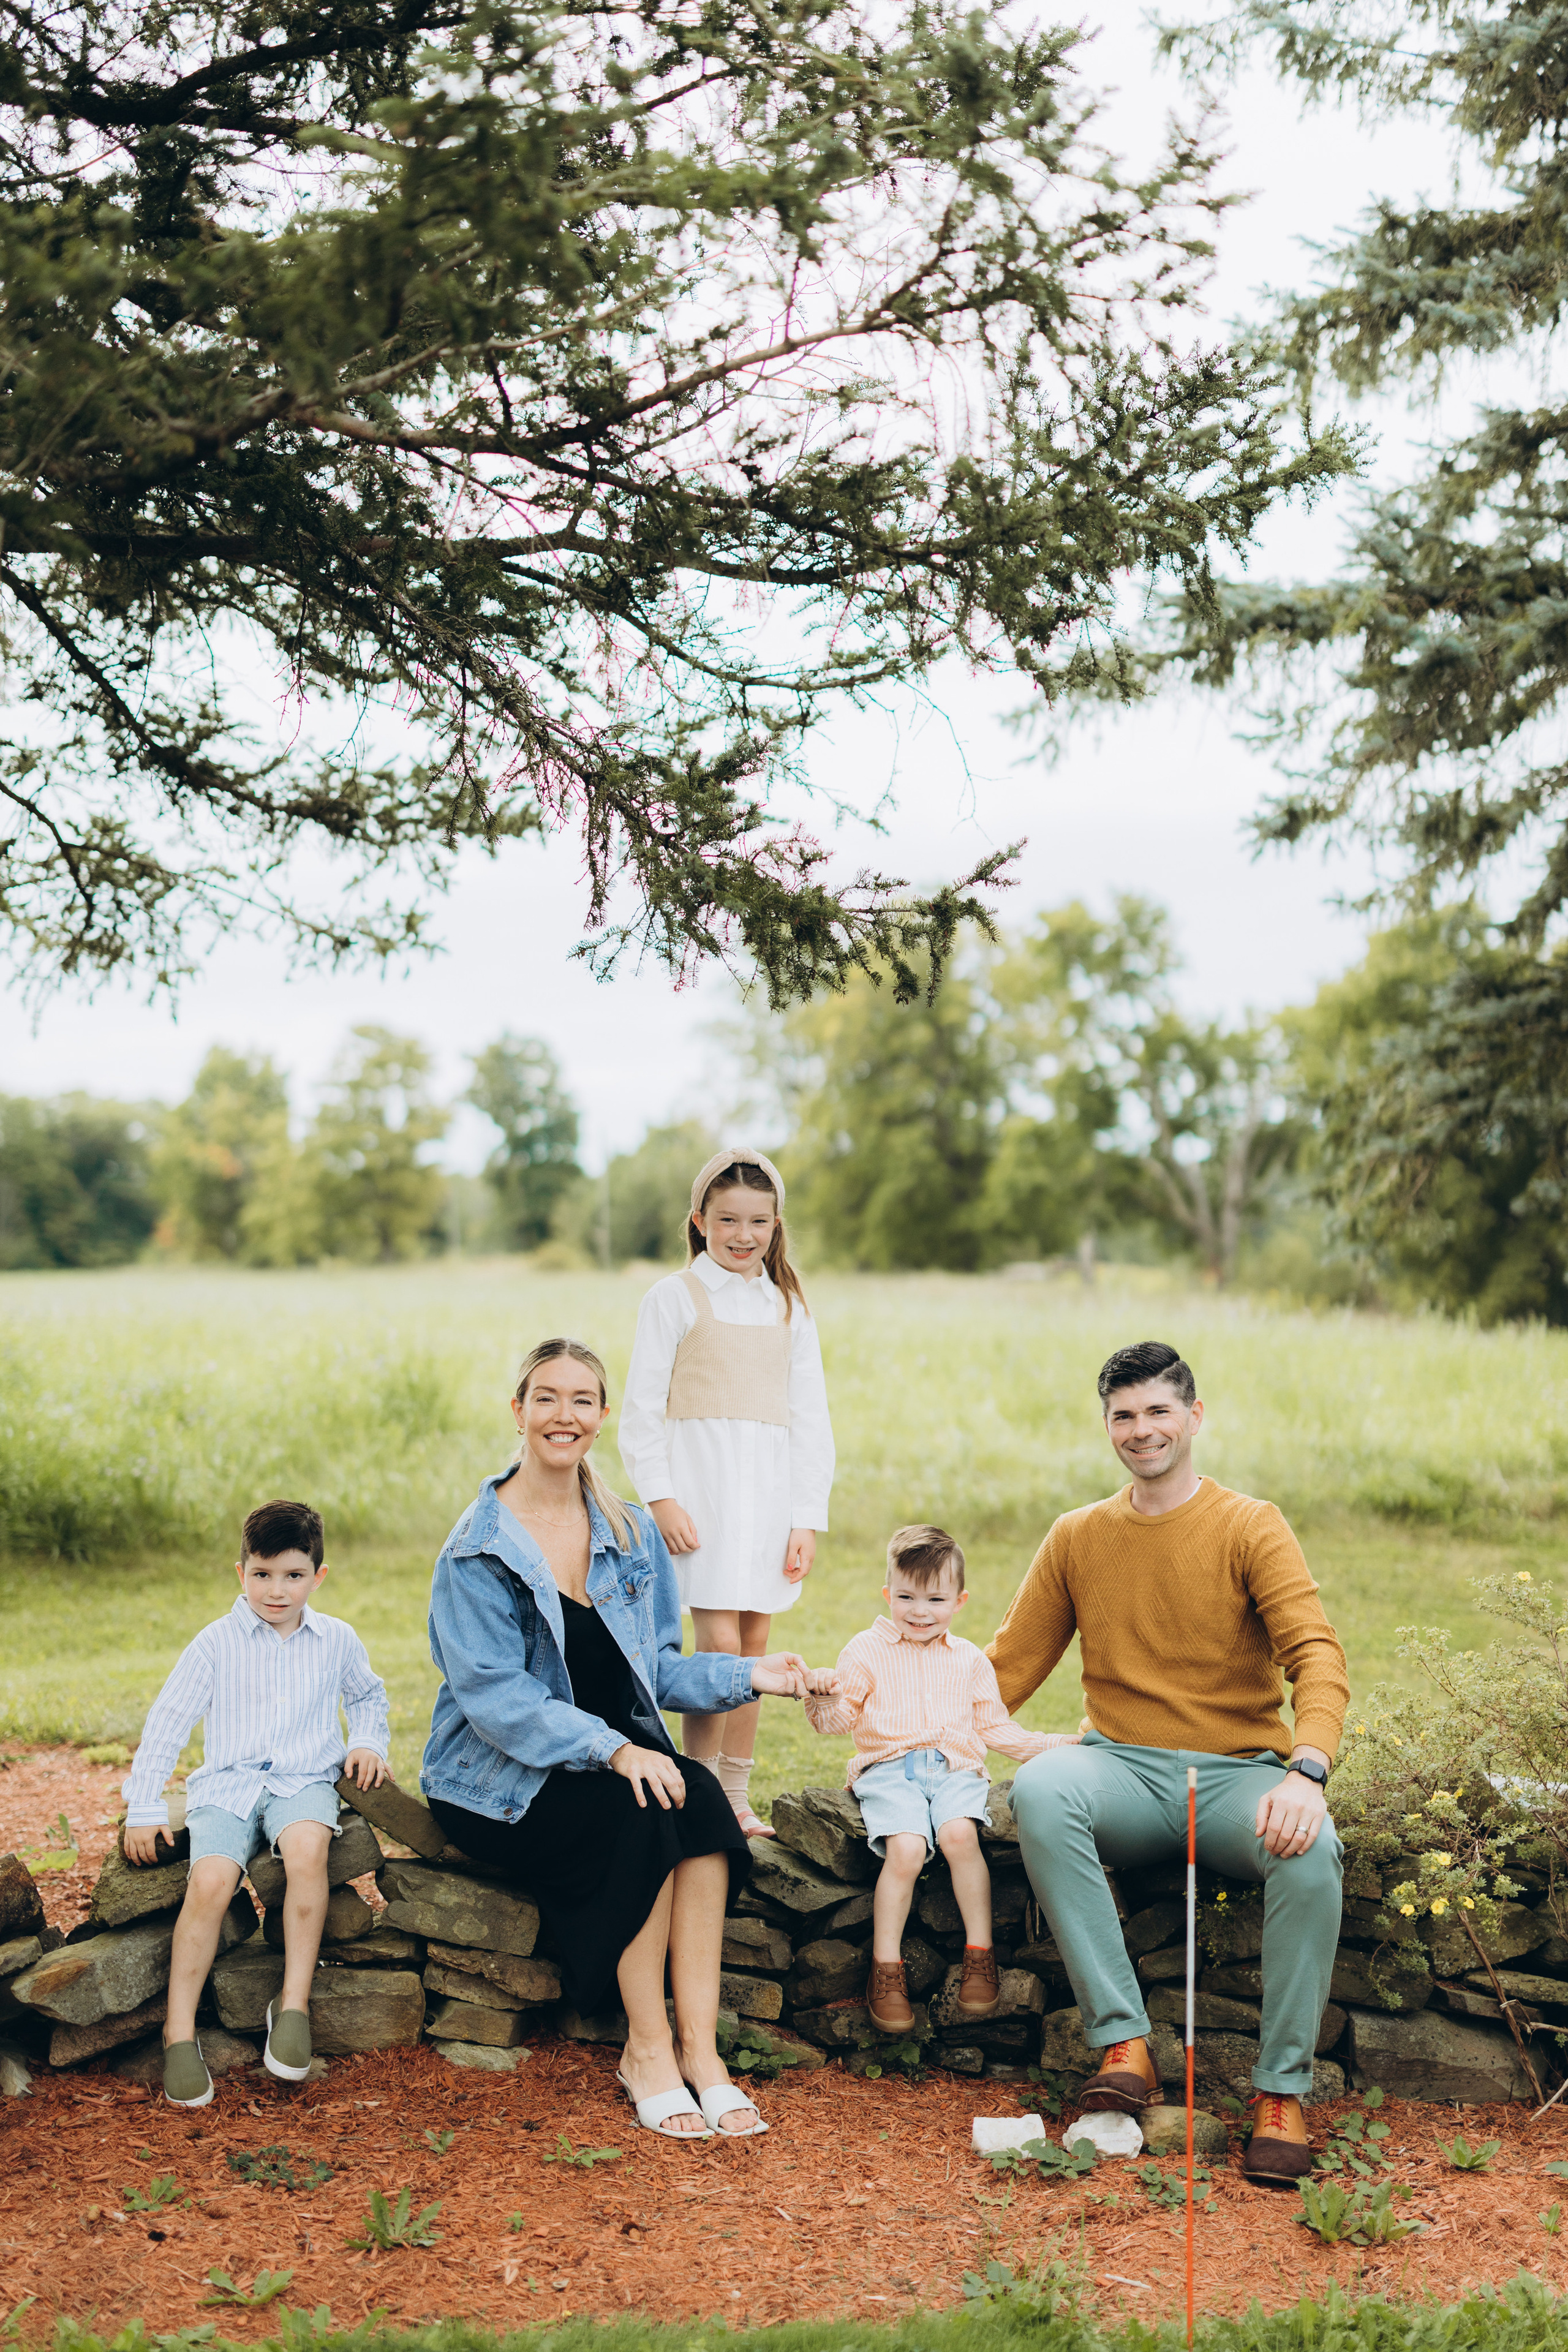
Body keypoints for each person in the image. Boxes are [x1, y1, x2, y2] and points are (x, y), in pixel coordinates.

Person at [422, 1336, 812, 2141]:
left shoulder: (628, 1532)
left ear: (601, 1416)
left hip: (608, 1763)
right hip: (502, 1778)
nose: (563, 1415)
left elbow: (659, 1667)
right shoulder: (477, 1546)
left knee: (698, 1798)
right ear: (519, 1410)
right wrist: (615, 1750)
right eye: (546, 1398)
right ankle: (648, 2048)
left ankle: (703, 2053)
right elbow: (497, 1699)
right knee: (640, 1808)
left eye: (581, 1400)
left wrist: (751, 1675)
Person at [989, 1340, 1349, 2188]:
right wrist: (889, 1702)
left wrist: (1308, 1769)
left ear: (1195, 1417)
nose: (1141, 1430)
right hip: (1122, 1770)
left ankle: (1280, 2097)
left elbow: (1317, 1657)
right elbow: (1003, 1669)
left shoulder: (1249, 1524)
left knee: (1314, 1856)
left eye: (1159, 1411)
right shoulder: (1078, 1536)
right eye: (1124, 1415)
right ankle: (1124, 2045)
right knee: (1041, 1787)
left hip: (1238, 1775)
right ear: (1107, 1425)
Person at [122, 1498, 390, 2107]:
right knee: (212, 1880)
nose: (277, 1589)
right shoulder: (215, 1643)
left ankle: (292, 2005)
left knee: (306, 1852)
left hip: (303, 1780)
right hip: (228, 1785)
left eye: (293, 1575)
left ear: (317, 1577)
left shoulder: (337, 1640)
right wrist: (143, 1805)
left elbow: (370, 1698)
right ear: (240, 1573)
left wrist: (368, 1740)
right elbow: (168, 1722)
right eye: (263, 1574)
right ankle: (179, 2032)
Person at [618, 1145, 834, 1837]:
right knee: (715, 1643)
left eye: (760, 1223)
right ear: (699, 1221)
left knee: (757, 1645)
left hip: (767, 1502)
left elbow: (810, 1419)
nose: (744, 1236)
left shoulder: (787, 1307)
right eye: (728, 1220)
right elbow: (641, 1410)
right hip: (699, 1499)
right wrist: (661, 1499)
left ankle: (736, 1795)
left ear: (777, 1226)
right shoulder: (674, 1297)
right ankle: (700, 1789)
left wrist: (805, 1517)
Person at [802, 1524, 1077, 2032]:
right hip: (889, 1771)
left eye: (935, 1598)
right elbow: (837, 1723)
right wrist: (821, 1697)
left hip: (955, 1769)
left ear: (959, 1600)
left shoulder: (970, 1659)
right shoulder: (865, 1651)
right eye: (906, 1596)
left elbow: (996, 1729)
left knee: (958, 1835)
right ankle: (887, 1970)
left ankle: (980, 1955)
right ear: (888, 1594)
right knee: (905, 1849)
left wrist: (1063, 1745)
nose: (920, 1610)